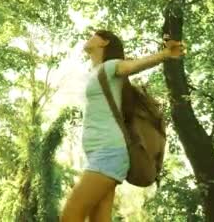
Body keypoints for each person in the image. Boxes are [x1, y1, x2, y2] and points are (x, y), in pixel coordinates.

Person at [59, 29, 185, 222]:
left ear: (104, 42)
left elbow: (132, 67)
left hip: (109, 152)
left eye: (94, 35)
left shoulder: (110, 66)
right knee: (99, 219)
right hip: (99, 153)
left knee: (71, 214)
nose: (89, 37)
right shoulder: (96, 73)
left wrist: (165, 54)